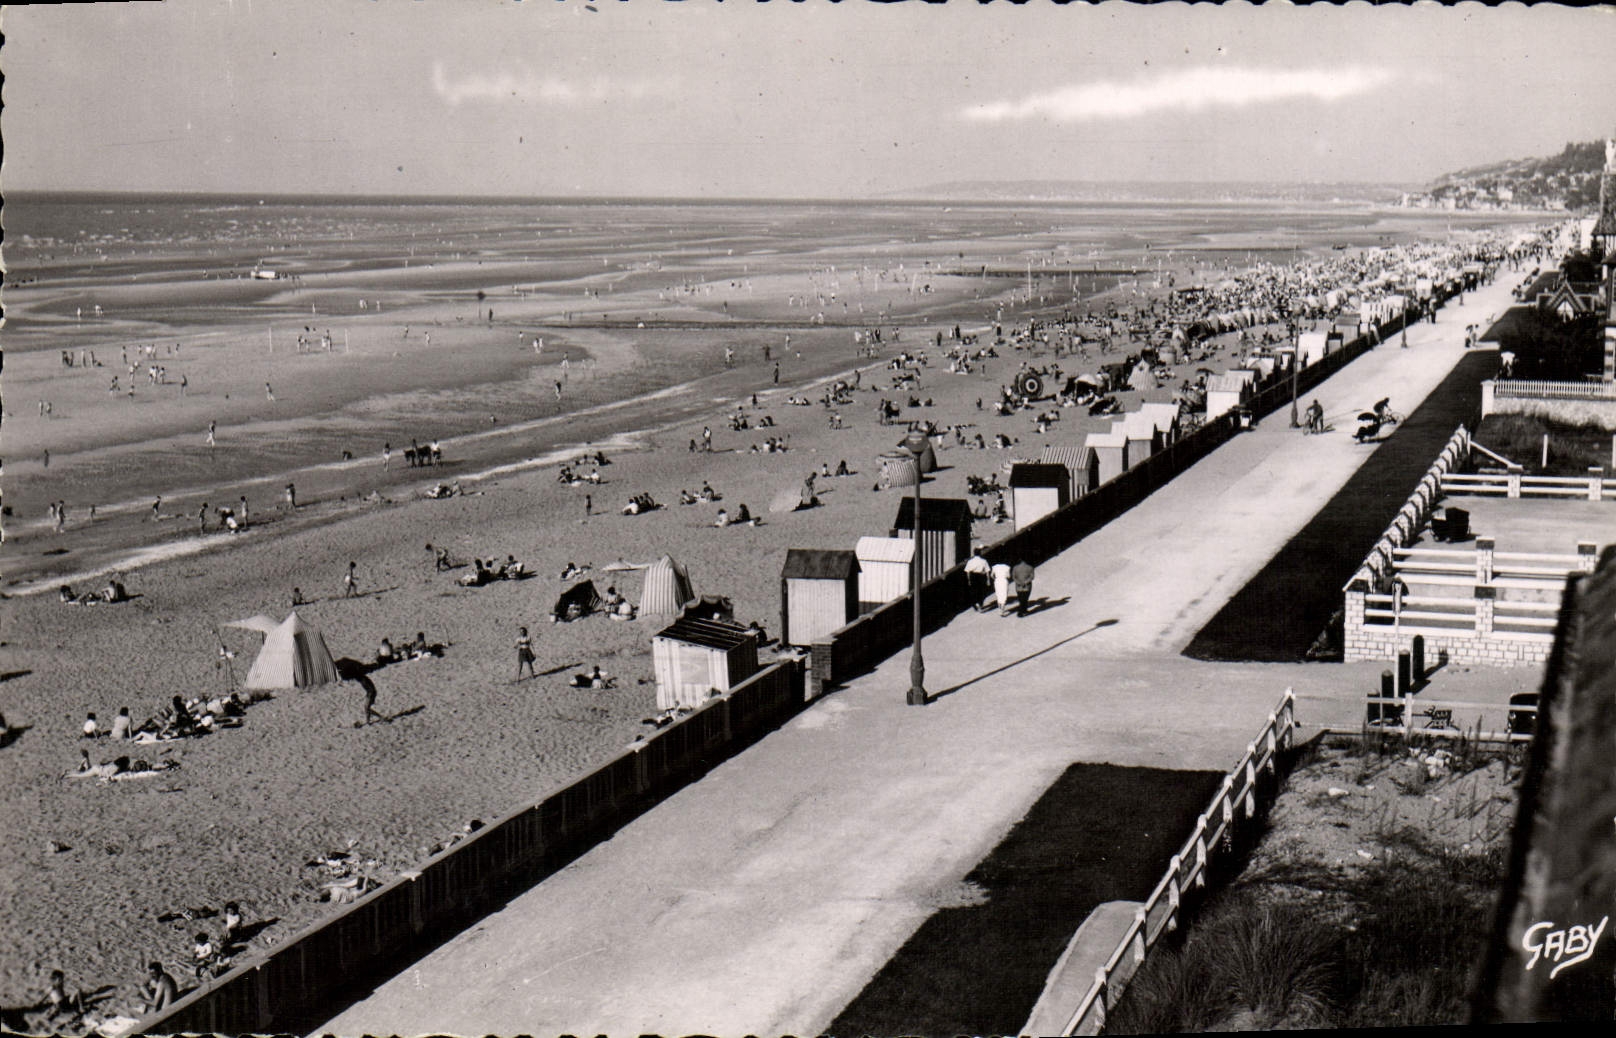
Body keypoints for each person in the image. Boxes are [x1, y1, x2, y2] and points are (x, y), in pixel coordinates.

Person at [964, 546, 991, 612]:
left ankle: (976, 604)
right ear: (980, 553)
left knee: (974, 591)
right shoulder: (984, 561)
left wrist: (969, 580)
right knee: (981, 591)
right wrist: (988, 580)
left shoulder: (970, 561)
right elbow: (987, 571)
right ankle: (980, 604)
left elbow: (967, 571)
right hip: (981, 576)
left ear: (974, 553)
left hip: (973, 576)